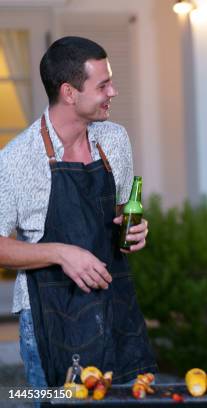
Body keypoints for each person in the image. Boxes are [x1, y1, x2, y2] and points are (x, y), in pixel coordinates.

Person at [0, 36, 157, 388]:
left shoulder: (114, 140)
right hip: (50, 315)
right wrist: (61, 253)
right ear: (69, 93)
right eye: (103, 85)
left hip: (115, 306)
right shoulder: (17, 159)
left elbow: (120, 213)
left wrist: (135, 231)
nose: (113, 92)